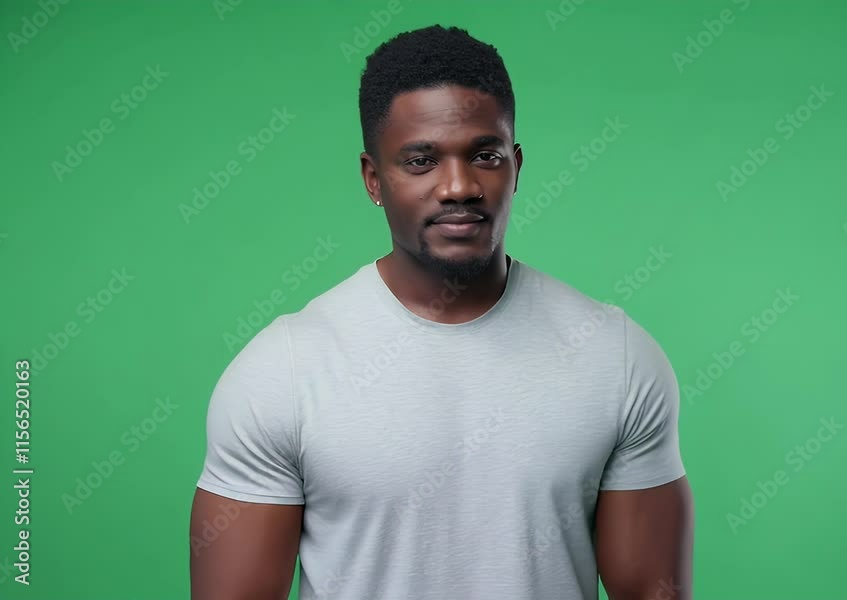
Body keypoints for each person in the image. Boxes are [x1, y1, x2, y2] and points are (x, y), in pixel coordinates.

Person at [189, 24, 693, 600]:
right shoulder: (283, 371)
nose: (458, 187)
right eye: (421, 161)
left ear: (516, 167)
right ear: (374, 179)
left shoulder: (614, 356)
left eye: (485, 156)